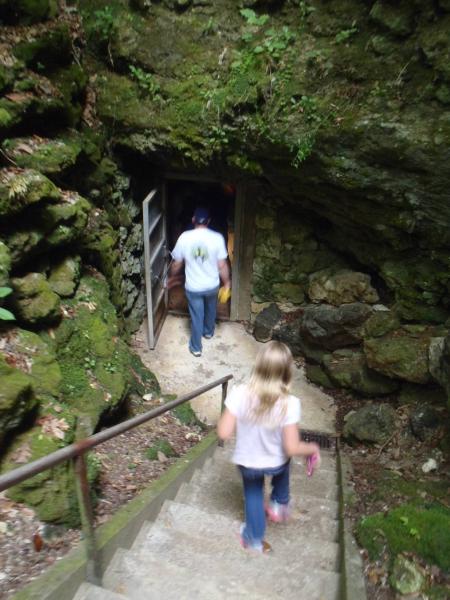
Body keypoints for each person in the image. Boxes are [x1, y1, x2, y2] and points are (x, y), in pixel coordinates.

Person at [217, 341, 321, 553]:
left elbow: (223, 433)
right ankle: (279, 504)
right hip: (275, 463)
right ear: (286, 372)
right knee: (285, 460)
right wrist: (312, 448)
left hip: (248, 463)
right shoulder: (290, 403)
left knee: (254, 493)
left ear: (258, 365)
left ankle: (254, 539)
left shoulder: (238, 393)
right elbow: (291, 447)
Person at [168, 206, 231, 357]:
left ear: (193, 220)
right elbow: (222, 265)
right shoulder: (217, 238)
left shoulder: (185, 237)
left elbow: (177, 263)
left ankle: (196, 348)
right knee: (211, 308)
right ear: (208, 221)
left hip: (193, 287)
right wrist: (227, 282)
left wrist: (171, 276)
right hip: (212, 285)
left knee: (197, 316)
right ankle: (208, 332)